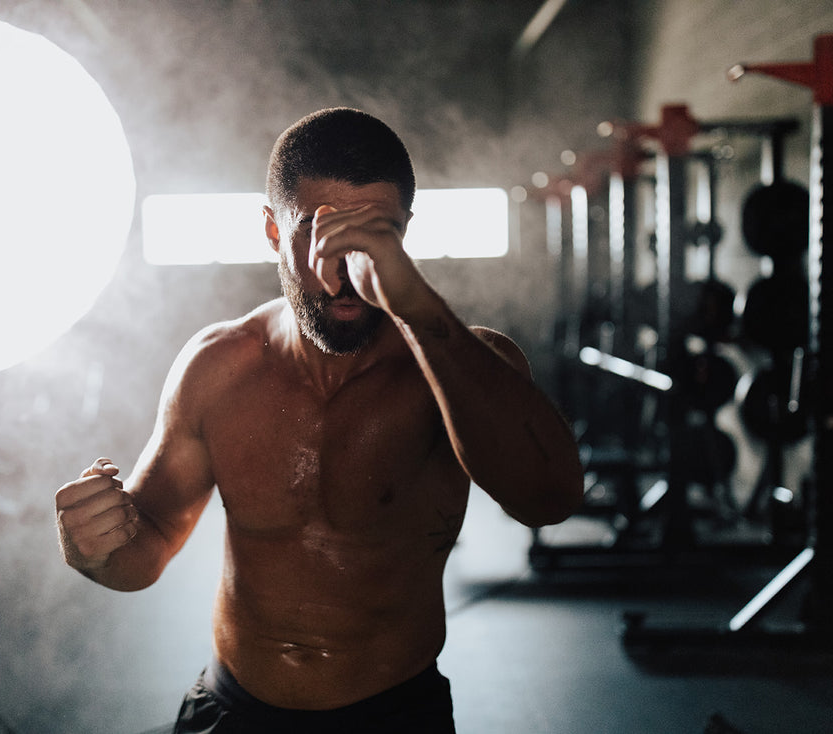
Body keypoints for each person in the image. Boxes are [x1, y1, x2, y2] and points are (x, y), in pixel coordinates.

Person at [55, 107, 584, 733]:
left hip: (393, 715)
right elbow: (144, 552)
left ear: (404, 234)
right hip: (232, 711)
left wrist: (413, 302)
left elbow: (549, 500)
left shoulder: (462, 365)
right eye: (318, 229)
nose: (341, 269)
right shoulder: (217, 367)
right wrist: (93, 549)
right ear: (273, 230)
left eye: (374, 232)